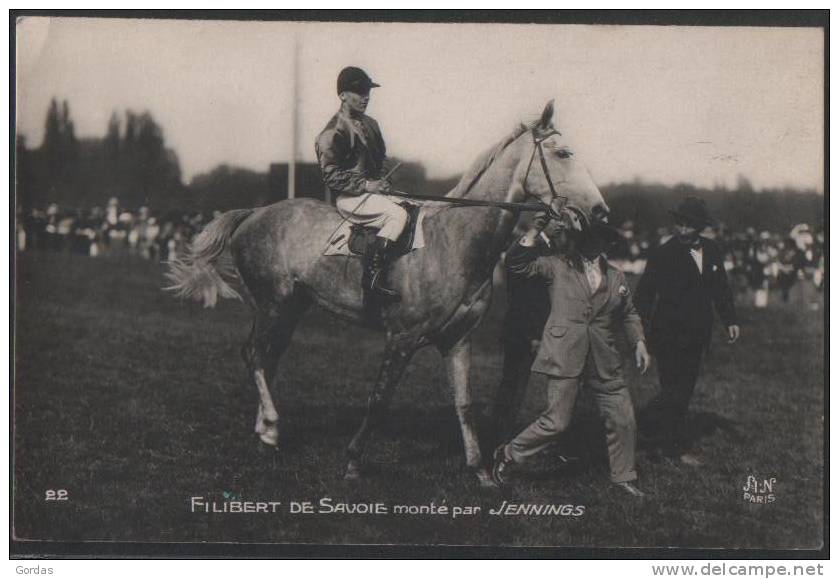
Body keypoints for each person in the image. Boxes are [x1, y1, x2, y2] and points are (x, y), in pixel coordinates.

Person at [491, 218, 651, 497]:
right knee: (557, 422)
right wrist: (535, 231)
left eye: (598, 239)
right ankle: (507, 454)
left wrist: (638, 342)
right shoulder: (556, 264)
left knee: (623, 418)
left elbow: (628, 313)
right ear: (579, 240)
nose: (591, 244)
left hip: (604, 357)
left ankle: (623, 476)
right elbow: (516, 265)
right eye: (586, 238)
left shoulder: (616, 277)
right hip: (565, 353)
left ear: (606, 244)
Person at [635, 196, 739, 466]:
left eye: (688, 225)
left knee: (683, 391)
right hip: (668, 334)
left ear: (700, 227)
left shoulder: (712, 250)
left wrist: (730, 320)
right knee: (674, 391)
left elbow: (721, 289)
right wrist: (637, 333)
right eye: (678, 224)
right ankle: (669, 448)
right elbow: (644, 295)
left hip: (698, 335)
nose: (681, 230)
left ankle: (642, 424)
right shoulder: (663, 254)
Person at [315, 66, 405, 299]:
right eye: (359, 91)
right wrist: (367, 185)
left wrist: (382, 181)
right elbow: (331, 176)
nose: (365, 96)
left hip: (374, 194)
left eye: (367, 91)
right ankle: (371, 280)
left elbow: (382, 158)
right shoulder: (332, 132)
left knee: (411, 208)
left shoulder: (372, 124)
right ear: (342, 95)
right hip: (350, 198)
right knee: (398, 216)